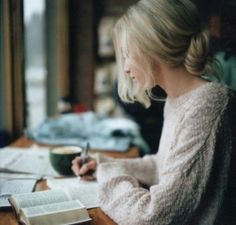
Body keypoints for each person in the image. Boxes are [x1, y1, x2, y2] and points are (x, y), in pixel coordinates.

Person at [72, 0, 236, 224]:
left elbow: (153, 216)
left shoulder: (210, 103)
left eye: (128, 54)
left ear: (152, 46)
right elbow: (162, 166)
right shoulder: (177, 100)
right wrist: (104, 164)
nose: (126, 67)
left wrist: (109, 176)